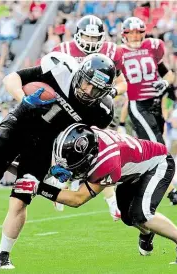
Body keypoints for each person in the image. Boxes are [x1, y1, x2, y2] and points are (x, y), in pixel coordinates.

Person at [0, 52, 116, 269]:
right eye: (88, 83)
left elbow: (85, 141)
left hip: (44, 146)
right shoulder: (60, 70)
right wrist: (23, 99)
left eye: (96, 89)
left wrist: (66, 167)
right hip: (21, 123)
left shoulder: (102, 110)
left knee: (21, 197)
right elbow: (10, 79)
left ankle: (3, 253)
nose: (88, 91)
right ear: (80, 74)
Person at [13, 123, 177, 264]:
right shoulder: (85, 137)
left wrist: (38, 187)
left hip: (158, 164)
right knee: (128, 217)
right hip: (132, 170)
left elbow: (77, 199)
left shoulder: (105, 163)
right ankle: (147, 233)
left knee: (142, 214)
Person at [52, 15, 128, 221]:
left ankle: (112, 202)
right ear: (78, 34)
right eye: (87, 36)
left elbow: (123, 83)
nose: (90, 42)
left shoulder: (112, 52)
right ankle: (62, 182)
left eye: (95, 38)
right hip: (69, 110)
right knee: (64, 150)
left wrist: (111, 92)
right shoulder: (62, 51)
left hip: (95, 112)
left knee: (100, 155)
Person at [118, 17, 177, 205]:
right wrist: (120, 122)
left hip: (156, 105)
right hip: (139, 105)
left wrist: (165, 82)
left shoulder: (152, 48)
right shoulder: (119, 54)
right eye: (131, 32)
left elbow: (169, 74)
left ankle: (139, 186)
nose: (135, 36)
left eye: (139, 32)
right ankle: (172, 192)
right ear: (124, 34)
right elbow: (119, 85)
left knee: (153, 152)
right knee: (159, 150)